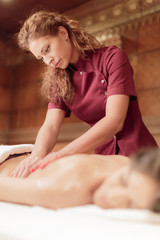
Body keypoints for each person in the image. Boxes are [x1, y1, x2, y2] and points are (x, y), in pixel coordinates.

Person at [11, 10, 157, 178]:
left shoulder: (112, 58)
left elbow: (114, 120)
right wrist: (37, 155)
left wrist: (62, 154)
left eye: (47, 49)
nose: (48, 60)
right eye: (41, 57)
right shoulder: (59, 81)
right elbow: (50, 125)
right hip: (104, 161)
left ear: (63, 33)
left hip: (141, 156)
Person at [1, 148, 160, 211]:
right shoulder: (68, 188)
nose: (114, 197)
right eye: (123, 181)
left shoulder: (128, 164)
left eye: (130, 203)